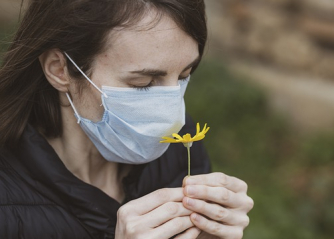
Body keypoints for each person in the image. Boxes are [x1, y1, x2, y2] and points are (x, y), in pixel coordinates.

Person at [0, 0, 254, 238]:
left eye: (183, 75)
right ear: (60, 70)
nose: (170, 115)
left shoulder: (179, 147)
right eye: (143, 84)